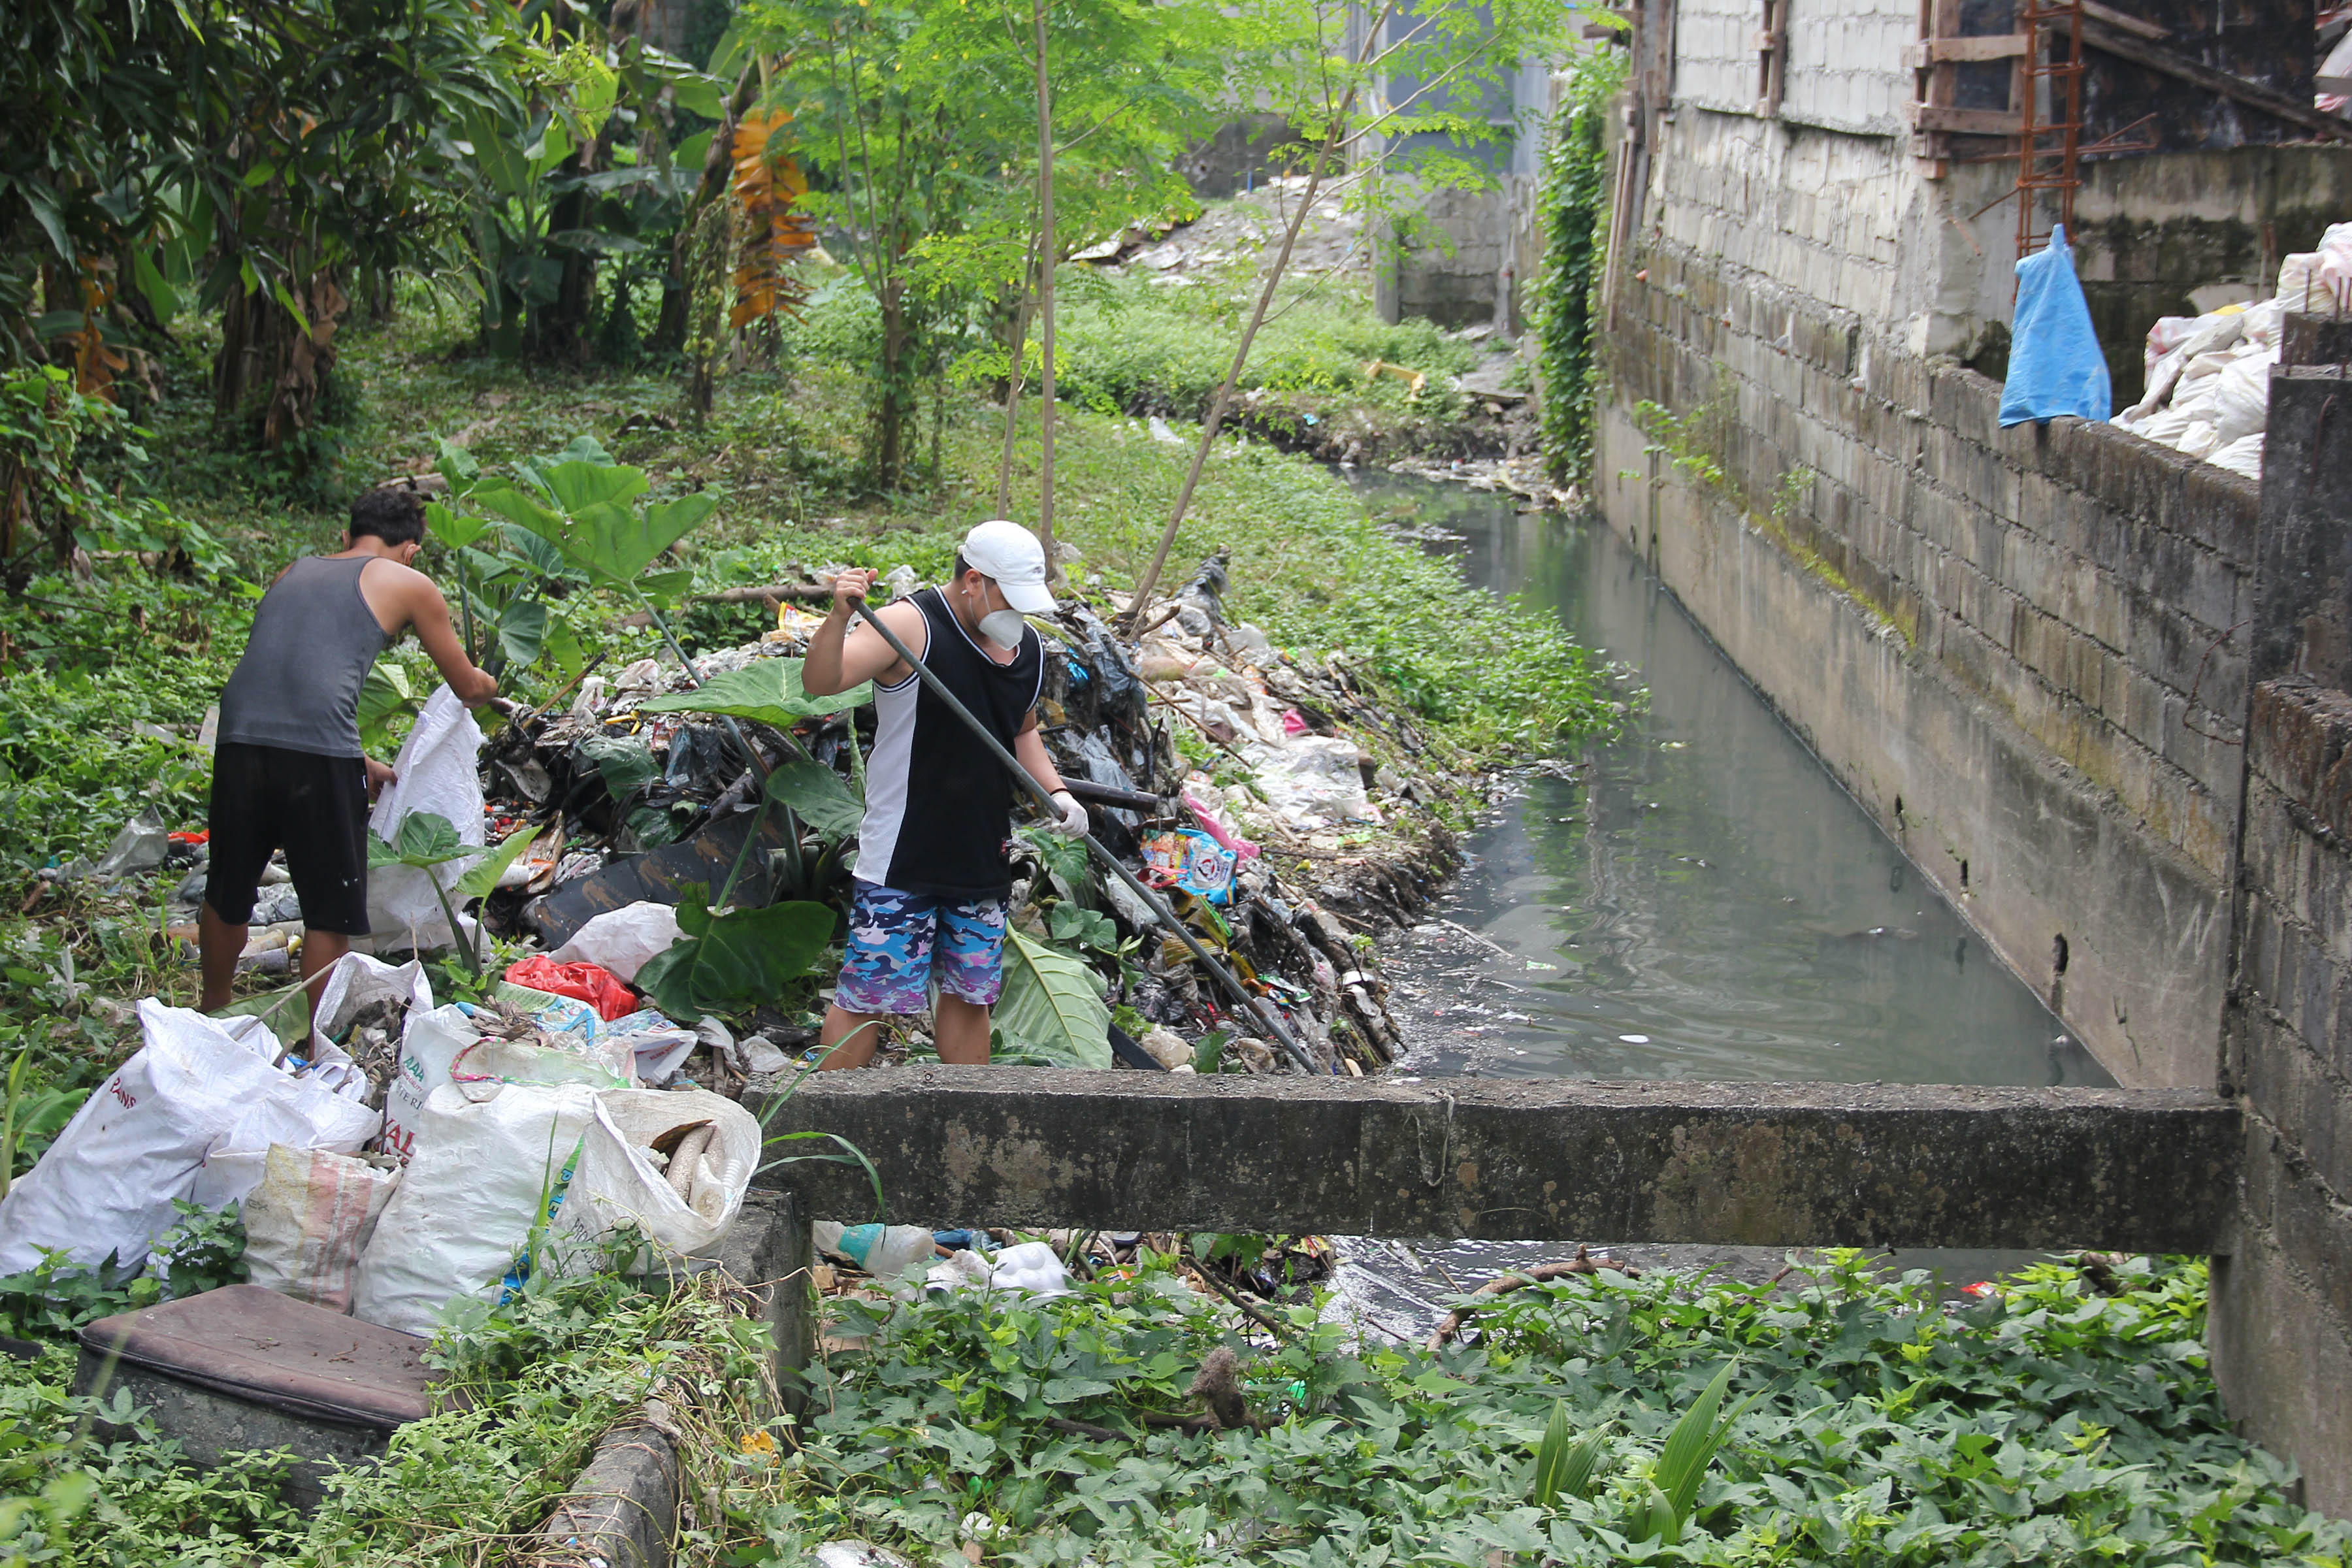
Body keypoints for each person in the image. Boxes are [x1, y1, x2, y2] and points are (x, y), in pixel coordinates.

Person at [198, 486, 498, 1013]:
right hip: (316, 756)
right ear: (411, 551)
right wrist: (491, 685)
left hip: (239, 740)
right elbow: (467, 688)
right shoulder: (410, 582)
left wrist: (357, 762)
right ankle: (318, 1046)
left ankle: (213, 1009)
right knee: (328, 913)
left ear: (346, 536)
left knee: (227, 895)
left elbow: (286, 677)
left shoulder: (290, 573)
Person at [801, 520, 1089, 1068]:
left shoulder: (1024, 646)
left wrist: (1057, 793)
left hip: (981, 855)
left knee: (969, 995)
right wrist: (839, 618)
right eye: (1011, 598)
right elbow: (822, 681)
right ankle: (823, 1123)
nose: (1020, 615)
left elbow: (1022, 731)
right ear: (974, 581)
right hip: (904, 852)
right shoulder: (911, 625)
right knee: (870, 994)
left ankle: (965, 1123)